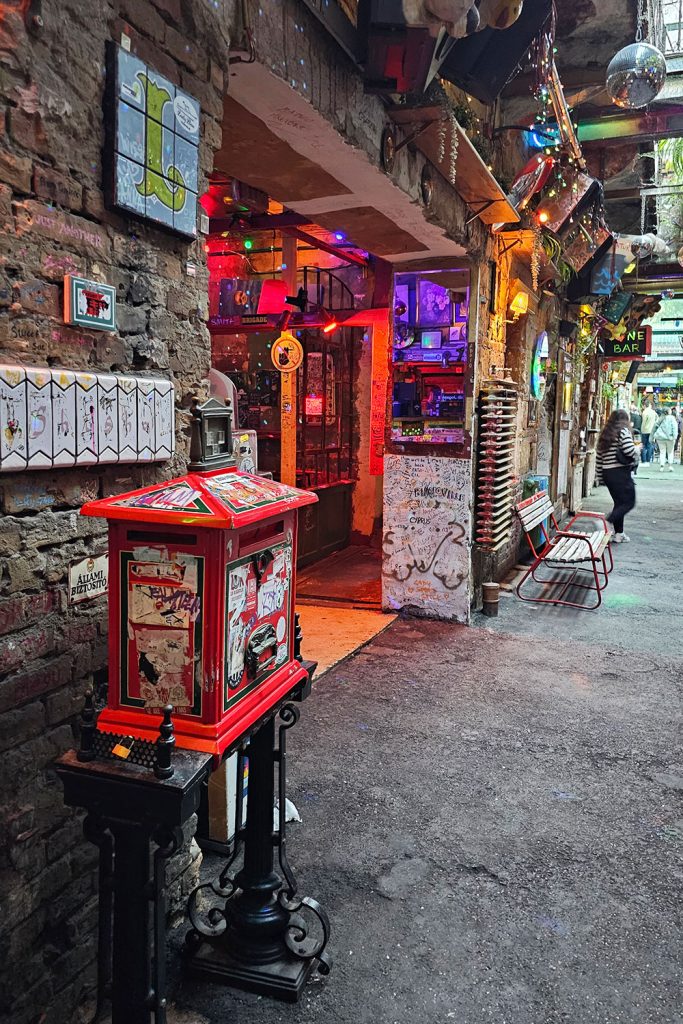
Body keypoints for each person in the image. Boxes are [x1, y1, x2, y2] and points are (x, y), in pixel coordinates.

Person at [596, 409, 637, 543]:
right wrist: (638, 450)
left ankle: (619, 534)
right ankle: (607, 522)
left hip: (608, 474)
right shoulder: (623, 431)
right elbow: (629, 450)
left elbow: (599, 458)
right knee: (629, 502)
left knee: (619, 503)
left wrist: (600, 477)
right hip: (620, 473)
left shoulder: (605, 434)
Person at [653, 407, 677, 472]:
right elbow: (674, 428)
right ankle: (670, 466)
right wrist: (674, 436)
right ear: (669, 412)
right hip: (670, 438)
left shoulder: (660, 418)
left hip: (660, 437)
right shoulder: (672, 418)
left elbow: (655, 427)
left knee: (662, 452)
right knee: (670, 452)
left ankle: (662, 466)